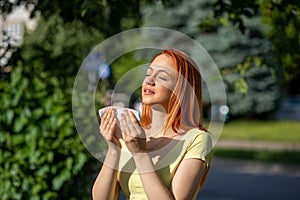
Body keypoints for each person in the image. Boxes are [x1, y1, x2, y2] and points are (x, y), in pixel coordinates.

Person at [92, 49, 212, 200]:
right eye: (148, 74)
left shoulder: (197, 139)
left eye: (162, 76)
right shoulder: (132, 134)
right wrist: (114, 148)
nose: (150, 80)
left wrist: (140, 154)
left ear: (181, 89)